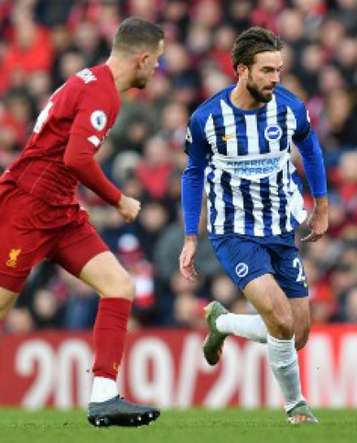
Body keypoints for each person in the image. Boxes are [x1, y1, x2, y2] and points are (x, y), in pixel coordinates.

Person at [0, 18, 164, 427]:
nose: (157, 68)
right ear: (142, 58)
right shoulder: (102, 93)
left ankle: (105, 395)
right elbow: (76, 158)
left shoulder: (89, 80)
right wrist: (119, 199)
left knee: (119, 285)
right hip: (29, 206)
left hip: (59, 210)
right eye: (157, 60)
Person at [179, 27, 327, 425]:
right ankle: (296, 407)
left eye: (278, 70)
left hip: (281, 227)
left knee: (297, 334)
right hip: (234, 231)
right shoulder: (207, 119)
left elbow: (311, 151)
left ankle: (222, 322)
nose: (275, 79)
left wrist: (322, 206)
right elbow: (192, 175)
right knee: (279, 318)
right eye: (266, 71)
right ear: (241, 70)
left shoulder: (290, 109)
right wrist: (191, 235)